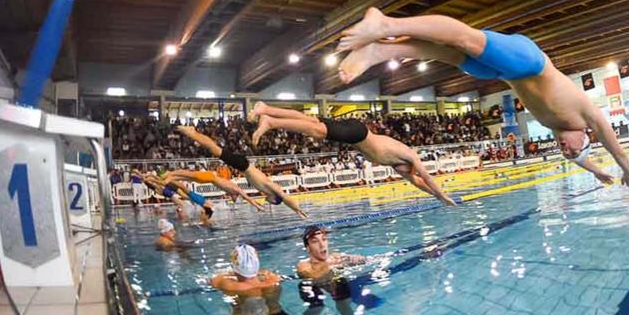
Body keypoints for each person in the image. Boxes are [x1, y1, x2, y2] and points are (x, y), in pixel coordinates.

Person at [335, 8, 629, 187]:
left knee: (445, 54)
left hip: (503, 73)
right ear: (585, 137)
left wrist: (598, 173)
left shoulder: (558, 128)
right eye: (571, 150)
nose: (565, 150)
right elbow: (616, 148)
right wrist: (626, 173)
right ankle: (387, 24)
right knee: (463, 38)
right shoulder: (588, 116)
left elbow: (580, 157)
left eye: (565, 154)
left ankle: (382, 50)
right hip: (529, 62)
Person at [249, 103, 456, 205]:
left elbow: (418, 182)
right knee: (318, 131)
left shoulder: (400, 166)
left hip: (356, 134)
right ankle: (271, 122)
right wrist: (442, 195)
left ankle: (266, 109)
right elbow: (427, 177)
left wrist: (437, 198)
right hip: (359, 134)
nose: (412, 174)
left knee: (311, 121)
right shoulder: (410, 156)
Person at [175, 126, 307, 218]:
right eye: (272, 202)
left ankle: (193, 133)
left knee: (216, 151)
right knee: (216, 150)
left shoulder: (265, 190)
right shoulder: (271, 187)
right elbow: (285, 197)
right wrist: (297, 209)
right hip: (244, 165)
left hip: (242, 166)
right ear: (275, 198)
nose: (269, 201)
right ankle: (192, 133)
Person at [211, 245, 306, 315]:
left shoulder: (226, 283)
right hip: (274, 313)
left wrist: (233, 273)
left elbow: (213, 281)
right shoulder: (271, 279)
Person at [296, 226, 364, 315]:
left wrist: (357, 259)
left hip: (332, 281)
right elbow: (313, 276)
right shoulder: (303, 265)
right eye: (315, 241)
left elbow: (363, 260)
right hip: (311, 286)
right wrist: (333, 265)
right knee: (317, 309)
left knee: (347, 307)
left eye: (324, 239)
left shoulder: (336, 257)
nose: (322, 244)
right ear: (308, 248)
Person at [163, 168, 264, 211]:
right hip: (210, 177)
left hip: (210, 179)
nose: (232, 199)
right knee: (189, 174)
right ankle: (171, 174)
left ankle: (172, 177)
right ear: (236, 195)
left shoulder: (231, 190)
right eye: (234, 198)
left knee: (189, 177)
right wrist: (257, 206)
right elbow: (248, 198)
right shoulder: (237, 190)